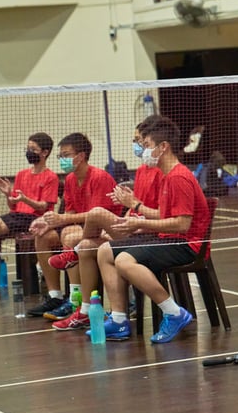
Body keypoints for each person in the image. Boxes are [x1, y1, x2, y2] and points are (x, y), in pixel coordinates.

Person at [93, 115, 210, 343]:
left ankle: (174, 313)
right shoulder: (167, 176)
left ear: (163, 147)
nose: (143, 150)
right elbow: (166, 216)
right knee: (105, 251)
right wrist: (135, 218)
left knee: (124, 260)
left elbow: (182, 224)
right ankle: (118, 320)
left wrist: (140, 221)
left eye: (146, 146)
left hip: (186, 245)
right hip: (168, 239)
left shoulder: (178, 177)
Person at [48, 118, 163, 331]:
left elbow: (164, 215)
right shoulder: (141, 171)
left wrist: (135, 213)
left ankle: (71, 254)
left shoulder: (163, 173)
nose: (138, 146)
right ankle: (85, 311)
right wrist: (131, 213)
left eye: (141, 142)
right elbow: (135, 207)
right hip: (126, 229)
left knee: (95, 214)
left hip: (145, 234)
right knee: (85, 246)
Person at [26, 133, 122, 318]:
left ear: (81, 156)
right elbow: (70, 211)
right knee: (44, 236)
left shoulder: (99, 177)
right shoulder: (70, 179)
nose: (62, 159)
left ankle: (75, 299)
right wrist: (49, 221)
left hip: (104, 230)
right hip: (81, 227)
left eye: (66, 154)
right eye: (60, 155)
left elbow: (95, 215)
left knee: (69, 236)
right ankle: (55, 295)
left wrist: (62, 220)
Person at [0, 133, 58, 296]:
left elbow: (44, 206)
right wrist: (8, 194)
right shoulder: (22, 174)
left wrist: (25, 199)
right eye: (27, 148)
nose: (29, 152)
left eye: (33, 149)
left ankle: (40, 267)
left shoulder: (51, 177)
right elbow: (13, 204)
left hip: (38, 219)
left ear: (45, 152)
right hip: (17, 216)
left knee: (37, 237)